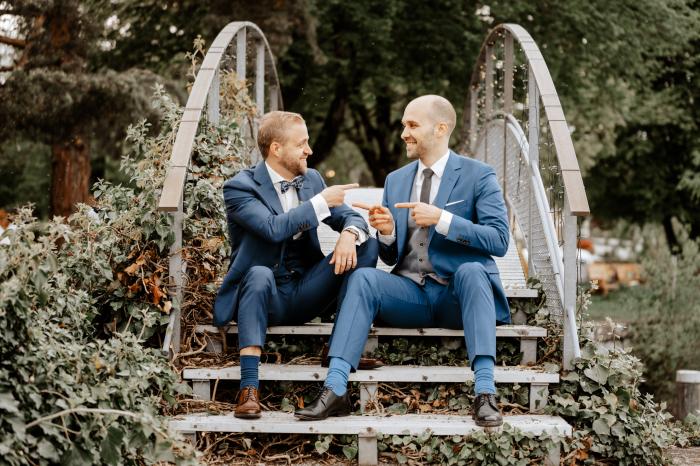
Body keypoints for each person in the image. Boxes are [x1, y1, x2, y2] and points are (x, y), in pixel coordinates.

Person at [295, 95, 510, 427]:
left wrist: (442, 219)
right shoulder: (396, 180)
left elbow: (499, 240)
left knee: (473, 269)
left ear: (441, 129)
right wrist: (388, 234)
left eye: (412, 125)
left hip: (457, 296)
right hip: (411, 295)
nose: (404, 133)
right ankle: (335, 388)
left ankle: (484, 391)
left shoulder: (479, 175)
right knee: (363, 279)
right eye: (403, 126)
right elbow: (390, 257)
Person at [214, 111, 379, 419]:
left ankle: (336, 346)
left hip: (306, 289)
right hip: (265, 296)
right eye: (302, 143)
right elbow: (273, 228)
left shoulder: (311, 179)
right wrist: (320, 203)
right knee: (259, 274)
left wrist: (348, 233)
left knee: (366, 243)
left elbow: (351, 217)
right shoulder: (239, 187)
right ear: (276, 148)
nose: (309, 150)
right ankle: (248, 387)